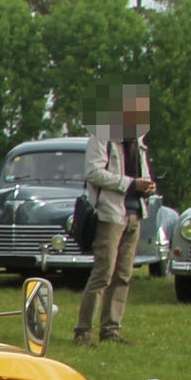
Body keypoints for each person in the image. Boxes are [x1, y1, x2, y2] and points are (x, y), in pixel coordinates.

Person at [77, 84, 156, 345]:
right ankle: (84, 331)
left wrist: (147, 185)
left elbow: (141, 174)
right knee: (103, 273)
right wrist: (131, 184)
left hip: (135, 213)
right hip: (110, 214)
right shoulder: (101, 137)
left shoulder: (138, 142)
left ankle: (110, 329)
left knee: (123, 274)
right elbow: (94, 173)